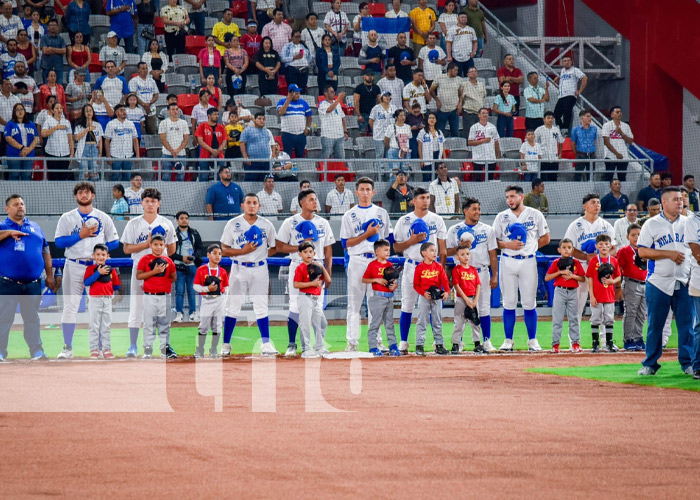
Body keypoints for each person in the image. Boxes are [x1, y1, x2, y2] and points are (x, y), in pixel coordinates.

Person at [54, 182, 119, 359]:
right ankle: (67, 348)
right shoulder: (67, 218)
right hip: (74, 265)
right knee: (70, 307)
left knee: (101, 310)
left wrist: (101, 251)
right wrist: (80, 235)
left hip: (96, 266)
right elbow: (59, 242)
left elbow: (114, 242)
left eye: (88, 192)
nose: (84, 195)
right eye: (81, 192)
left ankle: (101, 348)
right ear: (76, 196)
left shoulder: (103, 217)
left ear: (93, 196)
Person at [639, 187, 695, 376]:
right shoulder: (651, 224)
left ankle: (688, 363)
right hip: (658, 282)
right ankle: (650, 364)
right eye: (675, 199)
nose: (680, 202)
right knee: (656, 325)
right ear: (664, 202)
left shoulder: (690, 222)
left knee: (687, 326)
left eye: (681, 199)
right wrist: (668, 254)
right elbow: (643, 251)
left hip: (685, 282)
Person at [276, 189, 335, 357]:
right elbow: (280, 246)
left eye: (316, 199)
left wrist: (328, 273)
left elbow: (328, 250)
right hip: (298, 265)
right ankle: (292, 344)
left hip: (318, 266)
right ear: (301, 202)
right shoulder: (290, 222)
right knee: (295, 307)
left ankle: (318, 345)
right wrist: (303, 249)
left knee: (317, 307)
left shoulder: (323, 222)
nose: (315, 202)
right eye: (311, 199)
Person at [493, 184, 550, 351]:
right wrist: (507, 244)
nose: (509, 200)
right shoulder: (501, 216)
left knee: (529, 302)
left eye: (512, 196)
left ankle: (533, 340)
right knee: (509, 302)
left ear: (521, 196)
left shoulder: (535, 214)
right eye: (507, 197)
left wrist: (530, 247)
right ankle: (508, 341)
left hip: (528, 261)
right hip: (507, 260)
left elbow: (546, 238)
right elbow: (494, 242)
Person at [120, 187, 176, 357]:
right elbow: (126, 248)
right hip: (140, 269)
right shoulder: (133, 223)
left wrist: (158, 255)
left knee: (162, 311)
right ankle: (132, 345)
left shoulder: (166, 223)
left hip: (161, 272)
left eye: (153, 201)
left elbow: (172, 249)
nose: (150, 204)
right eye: (147, 201)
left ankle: (165, 346)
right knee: (136, 308)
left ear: (158, 203)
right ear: (141, 203)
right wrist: (146, 245)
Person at [0, 194, 55, 361]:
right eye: (16, 204)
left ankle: (36, 351)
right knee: (4, 318)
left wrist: (50, 275)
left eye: (22, 203)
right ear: (7, 209)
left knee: (32, 318)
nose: (20, 206)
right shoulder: (2, 226)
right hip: (7, 283)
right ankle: (1, 352)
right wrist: (8, 233)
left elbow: (46, 251)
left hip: (32, 283)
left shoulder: (36, 227)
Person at [393, 187, 447, 354]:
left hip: (432, 269)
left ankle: (436, 343)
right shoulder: (404, 220)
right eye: (422, 198)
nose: (426, 200)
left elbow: (443, 249)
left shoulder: (437, 219)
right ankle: (403, 341)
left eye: (427, 197)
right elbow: (396, 247)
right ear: (413, 201)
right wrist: (412, 241)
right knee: (407, 305)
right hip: (412, 265)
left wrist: (441, 272)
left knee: (434, 306)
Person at [341, 177, 392, 352]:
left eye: (367, 189)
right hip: (357, 259)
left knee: (376, 302)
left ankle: (377, 341)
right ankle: (352, 342)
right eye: (361, 189)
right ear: (356, 192)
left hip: (376, 261)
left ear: (373, 192)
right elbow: (345, 243)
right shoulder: (349, 215)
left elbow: (387, 239)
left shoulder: (381, 212)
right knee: (354, 303)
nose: (364, 192)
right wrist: (367, 234)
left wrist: (386, 261)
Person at [445, 197, 499, 352]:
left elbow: (493, 254)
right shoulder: (454, 230)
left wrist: (494, 275)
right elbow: (447, 252)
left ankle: (486, 341)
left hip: (481, 272)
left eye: (479, 209)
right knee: (461, 311)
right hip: (461, 273)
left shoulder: (487, 229)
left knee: (484, 309)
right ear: (465, 211)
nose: (478, 212)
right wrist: (458, 247)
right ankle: (458, 343)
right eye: (474, 209)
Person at [564, 193, 617, 323]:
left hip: (602, 268)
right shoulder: (575, 225)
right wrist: (587, 257)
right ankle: (574, 341)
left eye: (598, 202)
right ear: (585, 206)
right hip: (581, 266)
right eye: (593, 202)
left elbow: (614, 248)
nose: (597, 205)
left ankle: (605, 340)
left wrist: (599, 257)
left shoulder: (606, 225)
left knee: (603, 304)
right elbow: (568, 247)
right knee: (577, 305)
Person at [136, 234, 178, 359]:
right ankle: (147, 349)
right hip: (149, 296)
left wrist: (165, 277)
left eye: (161, 245)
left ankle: (165, 348)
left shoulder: (169, 261)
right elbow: (139, 276)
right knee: (149, 323)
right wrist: (155, 272)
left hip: (165, 296)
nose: (158, 247)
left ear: (165, 246)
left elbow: (173, 277)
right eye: (155, 244)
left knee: (165, 323)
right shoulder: (144, 259)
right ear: (150, 245)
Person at [544, 238, 585, 353]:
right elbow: (547, 277)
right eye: (564, 248)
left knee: (574, 319)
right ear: (559, 250)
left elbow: (582, 278)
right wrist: (560, 272)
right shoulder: (556, 263)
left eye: (569, 248)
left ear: (572, 250)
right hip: (560, 291)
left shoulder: (576, 263)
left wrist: (572, 276)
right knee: (557, 318)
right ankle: (555, 344)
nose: (566, 250)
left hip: (573, 291)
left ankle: (575, 343)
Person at [362, 239, 401, 356]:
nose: (388, 252)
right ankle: (373, 347)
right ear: (377, 251)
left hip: (389, 297)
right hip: (378, 297)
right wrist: (376, 279)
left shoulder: (389, 264)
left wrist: (395, 285)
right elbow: (364, 279)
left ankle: (393, 346)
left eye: (389, 250)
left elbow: (392, 280)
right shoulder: (372, 265)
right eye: (385, 250)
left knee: (389, 323)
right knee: (375, 323)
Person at [292, 240, 331, 358]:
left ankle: (319, 347)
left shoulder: (317, 267)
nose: (308, 254)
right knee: (305, 324)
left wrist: (322, 267)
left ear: (314, 253)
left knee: (323, 323)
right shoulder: (300, 267)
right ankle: (305, 350)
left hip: (315, 299)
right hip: (305, 298)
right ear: (300, 254)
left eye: (310, 252)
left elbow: (328, 280)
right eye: (305, 252)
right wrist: (311, 284)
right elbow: (296, 284)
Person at [83, 244, 120, 359]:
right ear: (93, 256)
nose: (100, 257)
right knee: (94, 325)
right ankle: (94, 349)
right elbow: (86, 282)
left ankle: (106, 349)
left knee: (106, 325)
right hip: (94, 299)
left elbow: (117, 285)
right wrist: (98, 273)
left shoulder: (111, 270)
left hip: (107, 300)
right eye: (98, 255)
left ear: (107, 256)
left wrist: (110, 291)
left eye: (103, 255)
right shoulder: (90, 269)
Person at [412, 241, 450, 356]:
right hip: (424, 298)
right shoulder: (419, 268)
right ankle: (419, 345)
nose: (435, 253)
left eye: (435, 251)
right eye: (432, 250)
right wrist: (423, 293)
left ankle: (439, 345)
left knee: (437, 321)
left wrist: (447, 291)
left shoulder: (438, 266)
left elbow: (444, 281)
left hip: (437, 297)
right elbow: (415, 285)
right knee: (422, 321)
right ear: (424, 253)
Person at [585, 234, 621, 352]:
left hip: (609, 295)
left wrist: (612, 281)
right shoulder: (594, 260)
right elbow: (590, 278)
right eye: (601, 245)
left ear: (610, 246)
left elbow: (619, 277)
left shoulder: (614, 261)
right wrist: (592, 296)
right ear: (596, 246)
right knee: (595, 318)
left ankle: (609, 343)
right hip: (596, 295)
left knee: (609, 318)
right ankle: (595, 343)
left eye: (606, 244)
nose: (604, 246)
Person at [192, 243, 228, 358]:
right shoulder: (202, 270)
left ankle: (213, 349)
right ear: (208, 255)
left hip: (219, 300)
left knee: (218, 325)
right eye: (215, 253)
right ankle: (199, 350)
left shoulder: (222, 271)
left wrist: (224, 299)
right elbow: (195, 286)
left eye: (220, 254)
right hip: (207, 300)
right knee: (203, 326)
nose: (218, 256)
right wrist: (207, 289)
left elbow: (226, 287)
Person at [617, 223, 646, 350]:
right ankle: (628, 339)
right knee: (630, 312)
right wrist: (618, 288)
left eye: (639, 234)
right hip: (631, 283)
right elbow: (619, 269)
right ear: (627, 236)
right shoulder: (624, 251)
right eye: (633, 235)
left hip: (645, 284)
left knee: (641, 313)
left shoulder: (646, 250)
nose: (636, 237)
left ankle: (639, 338)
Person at [171, 210, 203, 323]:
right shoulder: (173, 234)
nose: (184, 220)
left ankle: (193, 313)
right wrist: (182, 258)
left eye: (186, 218)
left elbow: (200, 248)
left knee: (191, 290)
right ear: (177, 220)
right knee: (179, 290)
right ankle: (179, 314)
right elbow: (170, 252)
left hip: (193, 266)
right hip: (179, 267)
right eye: (182, 218)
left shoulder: (194, 233)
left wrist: (194, 257)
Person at [449, 244, 482, 353]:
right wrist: (467, 300)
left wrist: (475, 300)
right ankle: (456, 344)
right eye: (462, 255)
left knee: (475, 322)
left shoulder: (473, 270)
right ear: (457, 257)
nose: (466, 256)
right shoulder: (457, 270)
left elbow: (478, 285)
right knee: (459, 323)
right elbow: (456, 286)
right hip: (461, 299)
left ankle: (477, 344)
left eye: (467, 254)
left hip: (473, 299)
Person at [104, 104, 139, 182]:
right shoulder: (111, 124)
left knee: (127, 178)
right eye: (121, 110)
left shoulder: (131, 124)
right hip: (115, 155)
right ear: (116, 112)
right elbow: (106, 140)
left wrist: (137, 154)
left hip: (128, 155)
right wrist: (108, 156)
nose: (124, 112)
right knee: (115, 177)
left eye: (124, 110)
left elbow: (135, 139)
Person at [552, 55, 587, 132]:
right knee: (556, 114)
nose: (567, 62)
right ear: (562, 63)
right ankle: (560, 129)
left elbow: (584, 78)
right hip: (561, 96)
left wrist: (580, 90)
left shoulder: (575, 70)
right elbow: (563, 78)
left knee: (566, 112)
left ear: (571, 62)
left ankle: (565, 129)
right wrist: (558, 78)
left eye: (568, 61)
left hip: (570, 95)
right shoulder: (562, 71)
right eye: (565, 61)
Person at [5, 102, 38, 181]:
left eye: (21, 109)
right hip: (14, 155)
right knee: (14, 175)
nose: (20, 111)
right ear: (14, 112)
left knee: (27, 176)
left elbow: (36, 138)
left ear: (24, 111)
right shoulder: (10, 124)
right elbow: (8, 138)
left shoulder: (31, 124)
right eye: (17, 110)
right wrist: (22, 148)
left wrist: (28, 150)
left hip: (29, 155)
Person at [277, 84, 311, 159]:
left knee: (300, 156)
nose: (298, 95)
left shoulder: (303, 103)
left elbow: (309, 116)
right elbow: (280, 113)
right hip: (287, 134)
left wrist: (307, 127)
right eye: (296, 93)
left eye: (299, 93)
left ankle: (298, 170)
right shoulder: (282, 102)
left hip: (301, 135)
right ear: (290, 93)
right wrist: (288, 100)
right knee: (286, 156)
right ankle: (287, 170)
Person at [41, 102, 73, 180]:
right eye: (57, 108)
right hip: (51, 153)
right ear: (52, 110)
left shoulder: (67, 122)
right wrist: (56, 128)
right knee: (53, 177)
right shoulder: (48, 121)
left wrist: (72, 154)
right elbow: (43, 133)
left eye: (61, 108)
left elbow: (70, 139)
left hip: (65, 154)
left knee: (63, 177)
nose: (59, 110)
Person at [602, 106, 634, 182]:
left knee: (622, 178)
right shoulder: (607, 125)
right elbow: (606, 142)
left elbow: (630, 141)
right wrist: (616, 154)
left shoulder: (626, 126)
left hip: (623, 157)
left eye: (620, 112)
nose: (620, 114)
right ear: (612, 115)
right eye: (617, 112)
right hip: (610, 156)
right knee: (608, 178)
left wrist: (621, 133)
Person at [158, 102, 189, 181]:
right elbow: (163, 139)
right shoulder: (163, 123)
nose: (175, 111)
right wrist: (172, 151)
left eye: (176, 109)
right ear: (168, 111)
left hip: (181, 154)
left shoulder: (184, 123)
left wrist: (178, 150)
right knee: (166, 176)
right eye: (172, 109)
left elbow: (186, 139)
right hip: (167, 154)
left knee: (180, 177)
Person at [467, 107, 500, 181]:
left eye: (486, 113)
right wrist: (483, 141)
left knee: (490, 179)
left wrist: (498, 156)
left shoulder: (492, 127)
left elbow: (496, 142)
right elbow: (470, 142)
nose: (485, 115)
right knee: (477, 179)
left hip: (491, 158)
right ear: (479, 115)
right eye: (483, 113)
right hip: (478, 158)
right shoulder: (474, 127)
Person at [240, 112, 274, 182]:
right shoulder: (247, 130)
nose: (262, 120)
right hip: (252, 161)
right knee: (251, 181)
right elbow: (242, 143)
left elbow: (271, 145)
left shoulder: (267, 131)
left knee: (264, 181)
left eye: (263, 119)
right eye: (259, 119)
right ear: (254, 120)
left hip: (265, 161)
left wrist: (272, 157)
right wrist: (245, 157)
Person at [73, 104, 103, 181]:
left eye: (90, 110)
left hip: (94, 150)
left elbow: (100, 140)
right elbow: (76, 138)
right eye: (86, 111)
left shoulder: (98, 125)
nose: (89, 112)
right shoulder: (79, 125)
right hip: (83, 150)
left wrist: (100, 154)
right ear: (83, 113)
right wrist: (87, 129)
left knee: (94, 173)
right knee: (84, 173)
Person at [195, 107, 227, 181]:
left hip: (220, 156)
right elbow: (200, 141)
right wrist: (212, 150)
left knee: (222, 177)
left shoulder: (221, 127)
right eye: (214, 114)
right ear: (209, 116)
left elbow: (224, 141)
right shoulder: (201, 126)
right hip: (205, 156)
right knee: (204, 176)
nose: (217, 116)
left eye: (218, 114)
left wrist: (217, 151)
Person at [430, 62, 461, 137]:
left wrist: (460, 104)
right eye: (455, 70)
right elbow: (431, 90)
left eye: (457, 70)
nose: (457, 72)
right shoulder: (440, 78)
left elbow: (461, 94)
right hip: (442, 110)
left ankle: (455, 147)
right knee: (440, 132)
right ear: (450, 70)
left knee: (455, 131)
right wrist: (437, 100)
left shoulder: (459, 79)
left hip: (454, 110)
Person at [318, 85, 349, 160]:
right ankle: (323, 171)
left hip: (339, 135)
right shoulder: (322, 104)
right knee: (326, 156)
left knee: (340, 158)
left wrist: (345, 131)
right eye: (331, 92)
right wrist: (338, 99)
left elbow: (342, 117)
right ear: (325, 93)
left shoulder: (337, 104)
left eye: (334, 92)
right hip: (328, 136)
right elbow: (329, 110)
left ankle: (339, 171)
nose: (333, 93)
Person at [128, 62, 159, 135]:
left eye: (146, 68)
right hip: (138, 109)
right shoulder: (134, 81)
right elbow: (133, 95)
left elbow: (156, 95)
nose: (145, 70)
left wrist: (149, 103)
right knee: (138, 132)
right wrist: (144, 105)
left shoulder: (152, 81)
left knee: (152, 132)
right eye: (143, 68)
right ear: (138, 70)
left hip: (151, 110)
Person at [535, 111, 564, 182]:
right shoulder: (539, 130)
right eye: (548, 118)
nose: (550, 120)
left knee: (554, 179)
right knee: (543, 180)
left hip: (554, 159)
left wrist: (560, 154)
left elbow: (560, 142)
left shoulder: (556, 130)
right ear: (544, 119)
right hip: (543, 159)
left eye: (552, 118)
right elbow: (533, 143)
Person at [369, 90, 396, 163]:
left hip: (390, 136)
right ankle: (380, 173)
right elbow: (371, 120)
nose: (387, 97)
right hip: (379, 136)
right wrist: (375, 130)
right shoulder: (376, 108)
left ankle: (388, 172)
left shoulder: (394, 108)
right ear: (381, 98)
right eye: (385, 96)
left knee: (389, 155)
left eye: (388, 96)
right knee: (380, 154)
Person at [446, 11, 477, 77]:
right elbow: (448, 43)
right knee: (457, 77)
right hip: (456, 58)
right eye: (462, 17)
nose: (464, 19)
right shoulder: (452, 29)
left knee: (470, 76)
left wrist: (474, 52)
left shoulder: (471, 29)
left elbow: (475, 42)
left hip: (468, 57)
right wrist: (449, 55)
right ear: (458, 18)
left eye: (465, 17)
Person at [570, 109, 597, 182]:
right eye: (587, 116)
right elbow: (572, 144)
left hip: (592, 155)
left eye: (590, 116)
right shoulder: (575, 129)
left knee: (591, 175)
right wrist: (578, 153)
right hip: (580, 154)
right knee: (578, 175)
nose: (590, 118)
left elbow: (595, 141)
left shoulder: (594, 129)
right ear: (582, 118)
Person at [416, 113, 445, 181]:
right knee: (426, 177)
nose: (431, 120)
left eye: (433, 118)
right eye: (430, 118)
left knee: (436, 178)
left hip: (437, 156)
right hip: (426, 157)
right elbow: (419, 147)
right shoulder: (422, 132)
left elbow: (443, 147)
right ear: (427, 120)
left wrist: (444, 159)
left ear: (436, 120)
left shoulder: (440, 132)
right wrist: (421, 160)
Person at [458, 66, 486, 135]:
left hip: (480, 113)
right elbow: (461, 97)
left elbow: (483, 97)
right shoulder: (464, 84)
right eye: (471, 72)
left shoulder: (481, 84)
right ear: (467, 74)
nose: (473, 73)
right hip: (469, 113)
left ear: (477, 74)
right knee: (469, 133)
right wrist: (460, 105)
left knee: (480, 133)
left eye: (475, 71)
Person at [353, 68, 381, 134]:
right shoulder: (359, 88)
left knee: (374, 133)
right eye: (368, 75)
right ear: (364, 76)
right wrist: (359, 115)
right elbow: (356, 102)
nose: (370, 77)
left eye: (371, 75)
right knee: (362, 132)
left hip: (373, 114)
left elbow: (379, 101)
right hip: (363, 114)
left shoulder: (376, 88)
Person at [384, 108, 411, 175]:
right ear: (396, 117)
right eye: (400, 115)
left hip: (405, 152)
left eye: (404, 115)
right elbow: (386, 140)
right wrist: (391, 149)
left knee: (405, 172)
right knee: (394, 172)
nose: (403, 117)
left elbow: (409, 139)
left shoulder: (408, 127)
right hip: (394, 151)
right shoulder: (391, 127)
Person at [40, 19, 65, 84]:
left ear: (57, 27)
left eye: (55, 25)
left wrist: (51, 49)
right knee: (46, 87)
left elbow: (64, 51)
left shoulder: (61, 39)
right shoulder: (44, 38)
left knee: (59, 87)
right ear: (48, 27)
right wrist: (58, 51)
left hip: (58, 67)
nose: (53, 27)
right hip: (46, 66)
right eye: (51, 25)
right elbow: (45, 51)